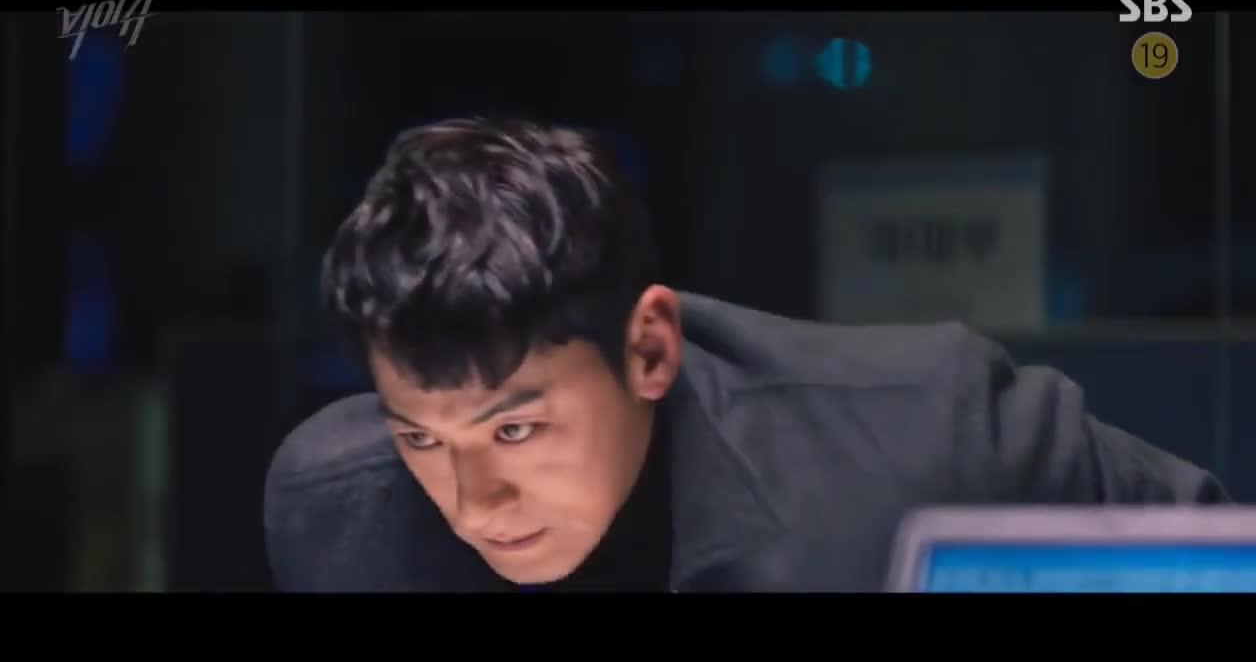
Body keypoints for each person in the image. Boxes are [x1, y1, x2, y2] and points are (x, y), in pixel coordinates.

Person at [263, 116, 1230, 593]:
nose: (477, 505)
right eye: (423, 440)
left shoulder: (921, 435)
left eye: (515, 429)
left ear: (649, 349)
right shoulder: (341, 516)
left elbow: (1216, 560)